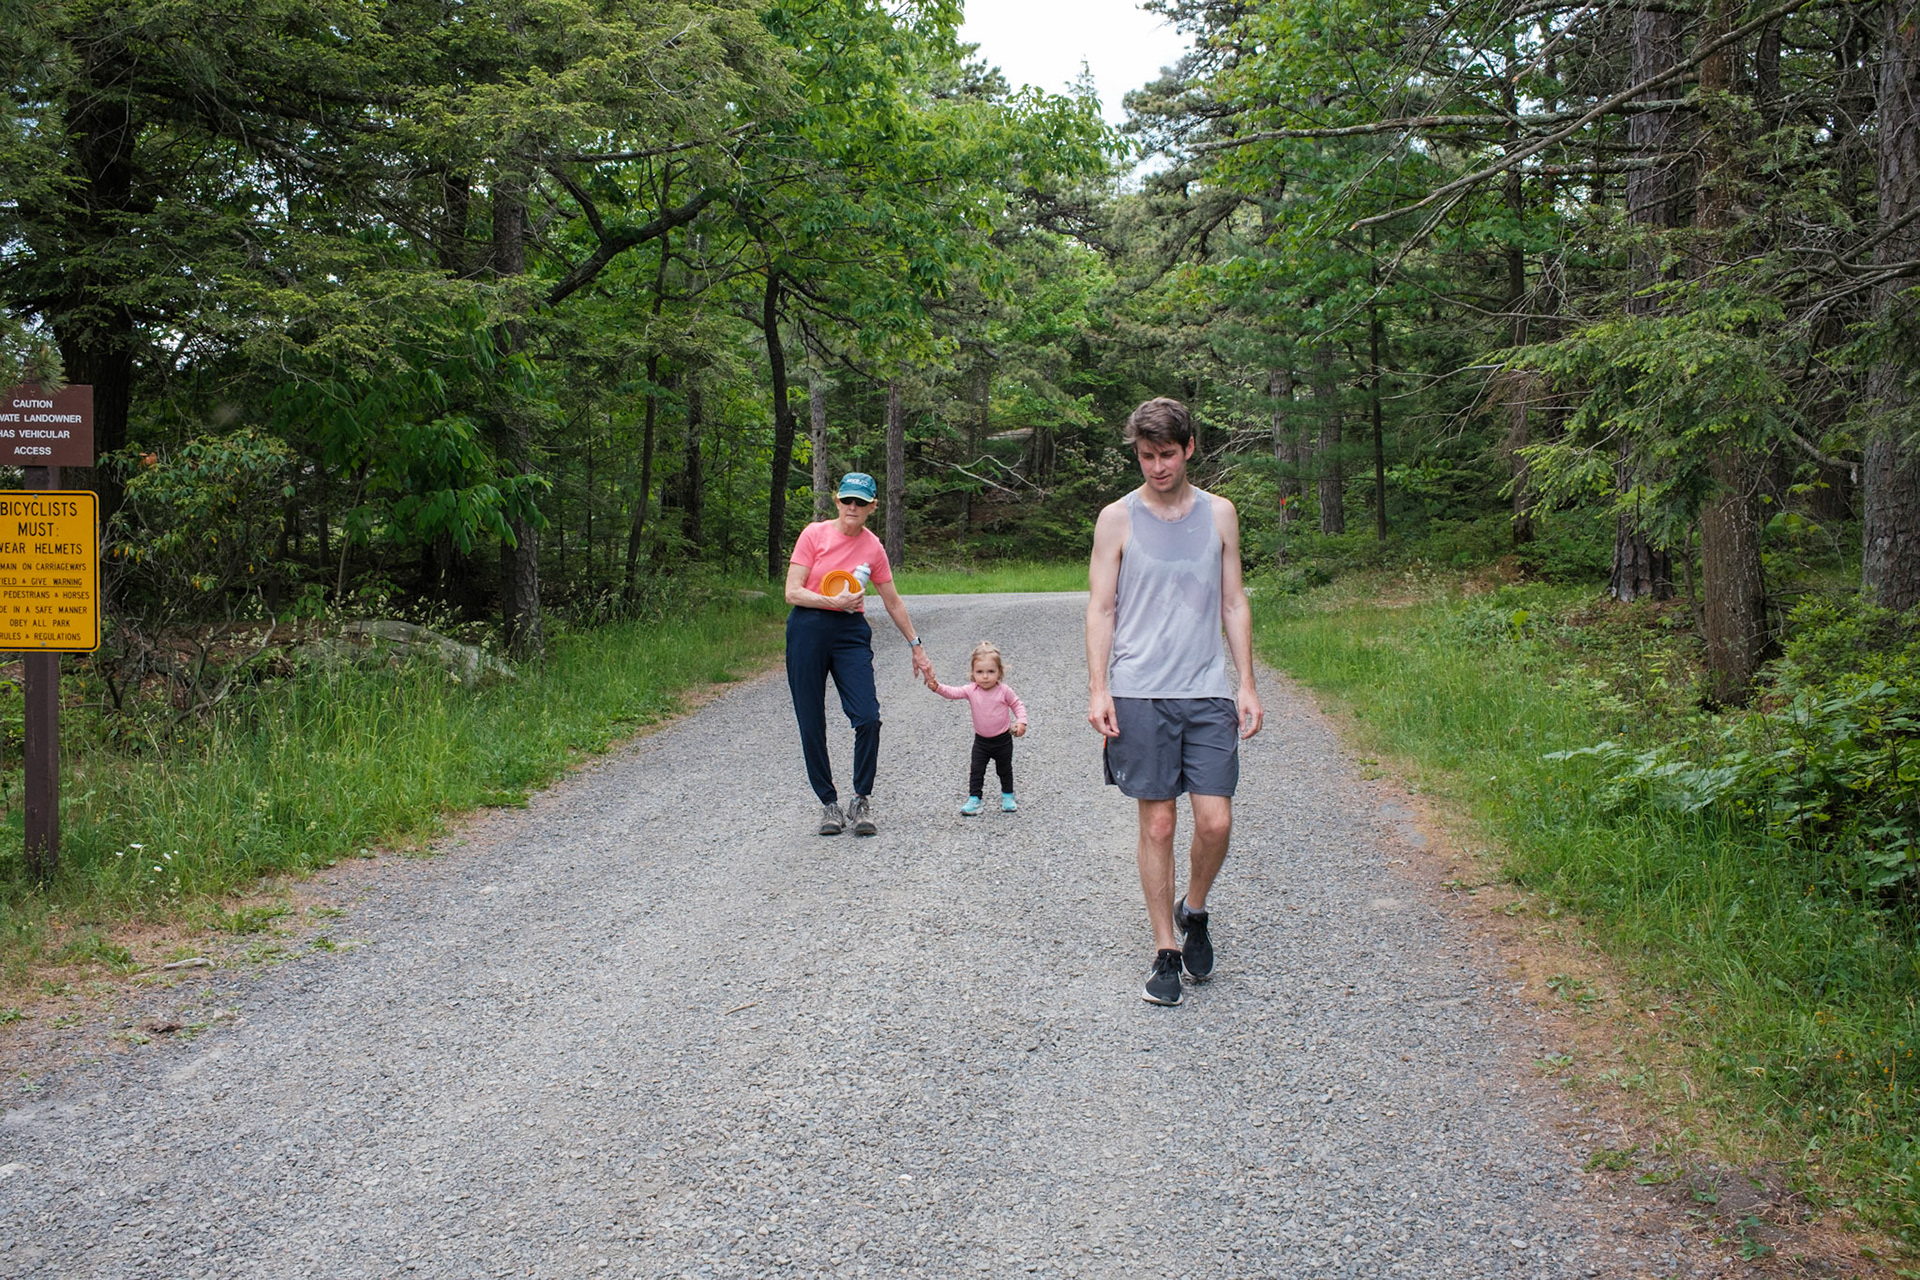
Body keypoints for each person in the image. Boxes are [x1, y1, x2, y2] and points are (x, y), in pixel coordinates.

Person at [1085, 397, 1265, 1006]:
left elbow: (1234, 601)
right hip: (1140, 690)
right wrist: (1098, 687)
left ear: (1188, 448)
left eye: (1166, 454)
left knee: (1215, 819)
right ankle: (1165, 949)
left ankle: (1195, 909)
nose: (1157, 467)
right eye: (1145, 457)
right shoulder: (1117, 518)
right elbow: (1101, 608)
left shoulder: (1220, 514)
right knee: (1159, 821)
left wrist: (1246, 682)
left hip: (1207, 686)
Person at [785, 471, 934, 836]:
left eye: (861, 502)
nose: (853, 507)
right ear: (837, 501)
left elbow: (893, 601)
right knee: (811, 720)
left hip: (850, 632)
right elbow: (792, 592)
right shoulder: (813, 534)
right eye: (847, 500)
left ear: (873, 507)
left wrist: (917, 648)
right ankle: (829, 805)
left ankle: (860, 798)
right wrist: (830, 601)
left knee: (868, 717)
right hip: (807, 628)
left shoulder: (873, 547)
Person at [926, 640, 1028, 815]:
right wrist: (937, 687)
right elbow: (952, 692)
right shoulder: (971, 690)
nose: (985, 676)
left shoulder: (1004, 690)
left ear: (999, 673)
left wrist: (1021, 721)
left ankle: (1008, 796)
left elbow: (1017, 704)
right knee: (976, 770)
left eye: (991, 672)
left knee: (1004, 769)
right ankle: (975, 799)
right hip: (981, 742)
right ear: (973, 674)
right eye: (980, 672)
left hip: (1002, 740)